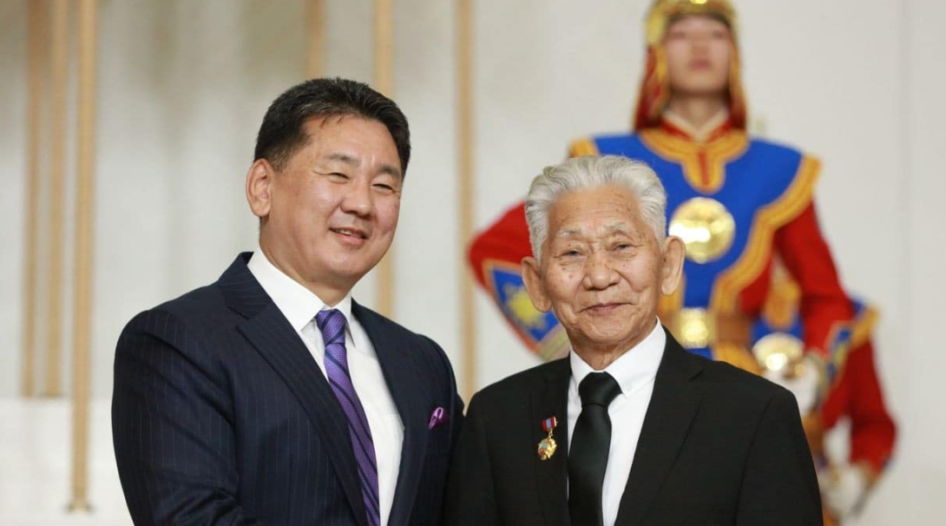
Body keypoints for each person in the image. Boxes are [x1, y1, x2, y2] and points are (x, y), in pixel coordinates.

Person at [466, 1, 895, 522]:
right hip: (616, 368)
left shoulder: (780, 168)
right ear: (656, 52)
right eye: (681, 34)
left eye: (714, 33)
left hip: (741, 372)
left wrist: (812, 373)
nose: (698, 46)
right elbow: (495, 250)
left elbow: (826, 298)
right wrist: (562, 339)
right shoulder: (604, 156)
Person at [112, 78, 463, 526]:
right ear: (262, 187)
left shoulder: (422, 361)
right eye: (338, 175)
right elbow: (192, 517)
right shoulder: (177, 341)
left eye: (383, 185)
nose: (361, 203)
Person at [446, 155, 823, 526]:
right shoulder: (497, 418)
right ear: (537, 283)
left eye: (621, 247)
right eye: (572, 253)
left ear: (668, 264)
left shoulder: (753, 414)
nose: (599, 276)